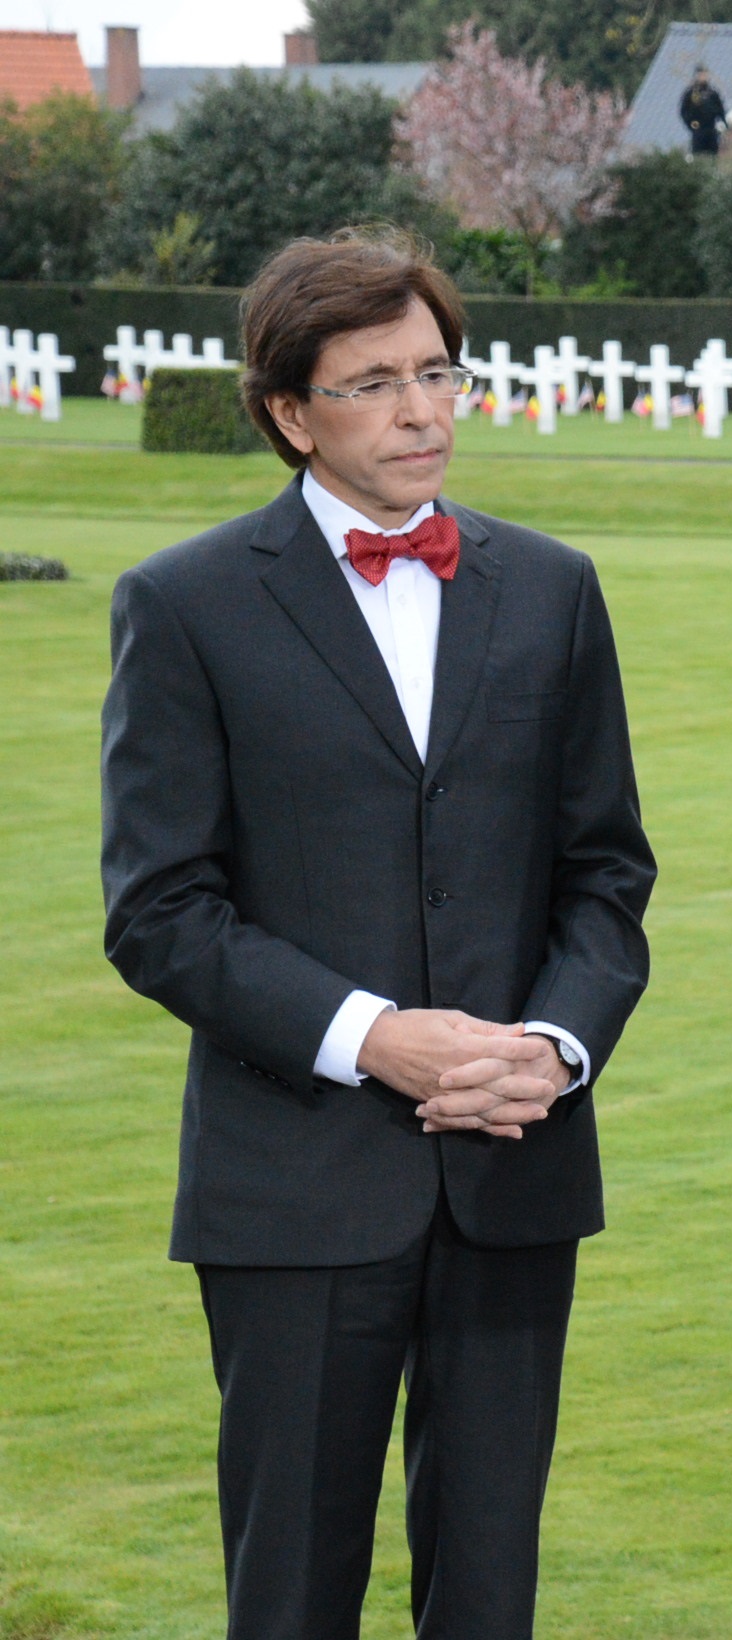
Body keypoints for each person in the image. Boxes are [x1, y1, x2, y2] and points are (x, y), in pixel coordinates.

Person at [100, 228, 655, 1640]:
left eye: (438, 373)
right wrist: (376, 1041)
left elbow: (606, 877)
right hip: (295, 1186)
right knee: (289, 1594)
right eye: (372, 384)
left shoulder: (550, 588)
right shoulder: (185, 604)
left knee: (489, 1593)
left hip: (513, 1173)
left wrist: (555, 1045)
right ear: (290, 412)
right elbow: (160, 912)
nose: (422, 412)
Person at [680, 65, 726, 155]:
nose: (704, 77)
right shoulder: (690, 93)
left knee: (712, 154)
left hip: (711, 128)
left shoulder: (712, 93)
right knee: (698, 154)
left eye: (705, 74)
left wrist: (724, 124)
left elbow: (721, 110)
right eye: (701, 75)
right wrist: (690, 125)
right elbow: (684, 111)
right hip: (698, 129)